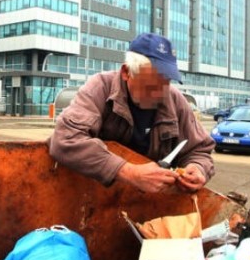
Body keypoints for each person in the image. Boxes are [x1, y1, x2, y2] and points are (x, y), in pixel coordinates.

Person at [49, 32, 215, 194]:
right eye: (150, 84)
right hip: (93, 197)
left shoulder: (175, 100)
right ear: (126, 72)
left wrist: (198, 168)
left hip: (146, 205)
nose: (159, 93)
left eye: (165, 83)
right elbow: (66, 139)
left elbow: (199, 151)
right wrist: (128, 172)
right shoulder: (99, 88)